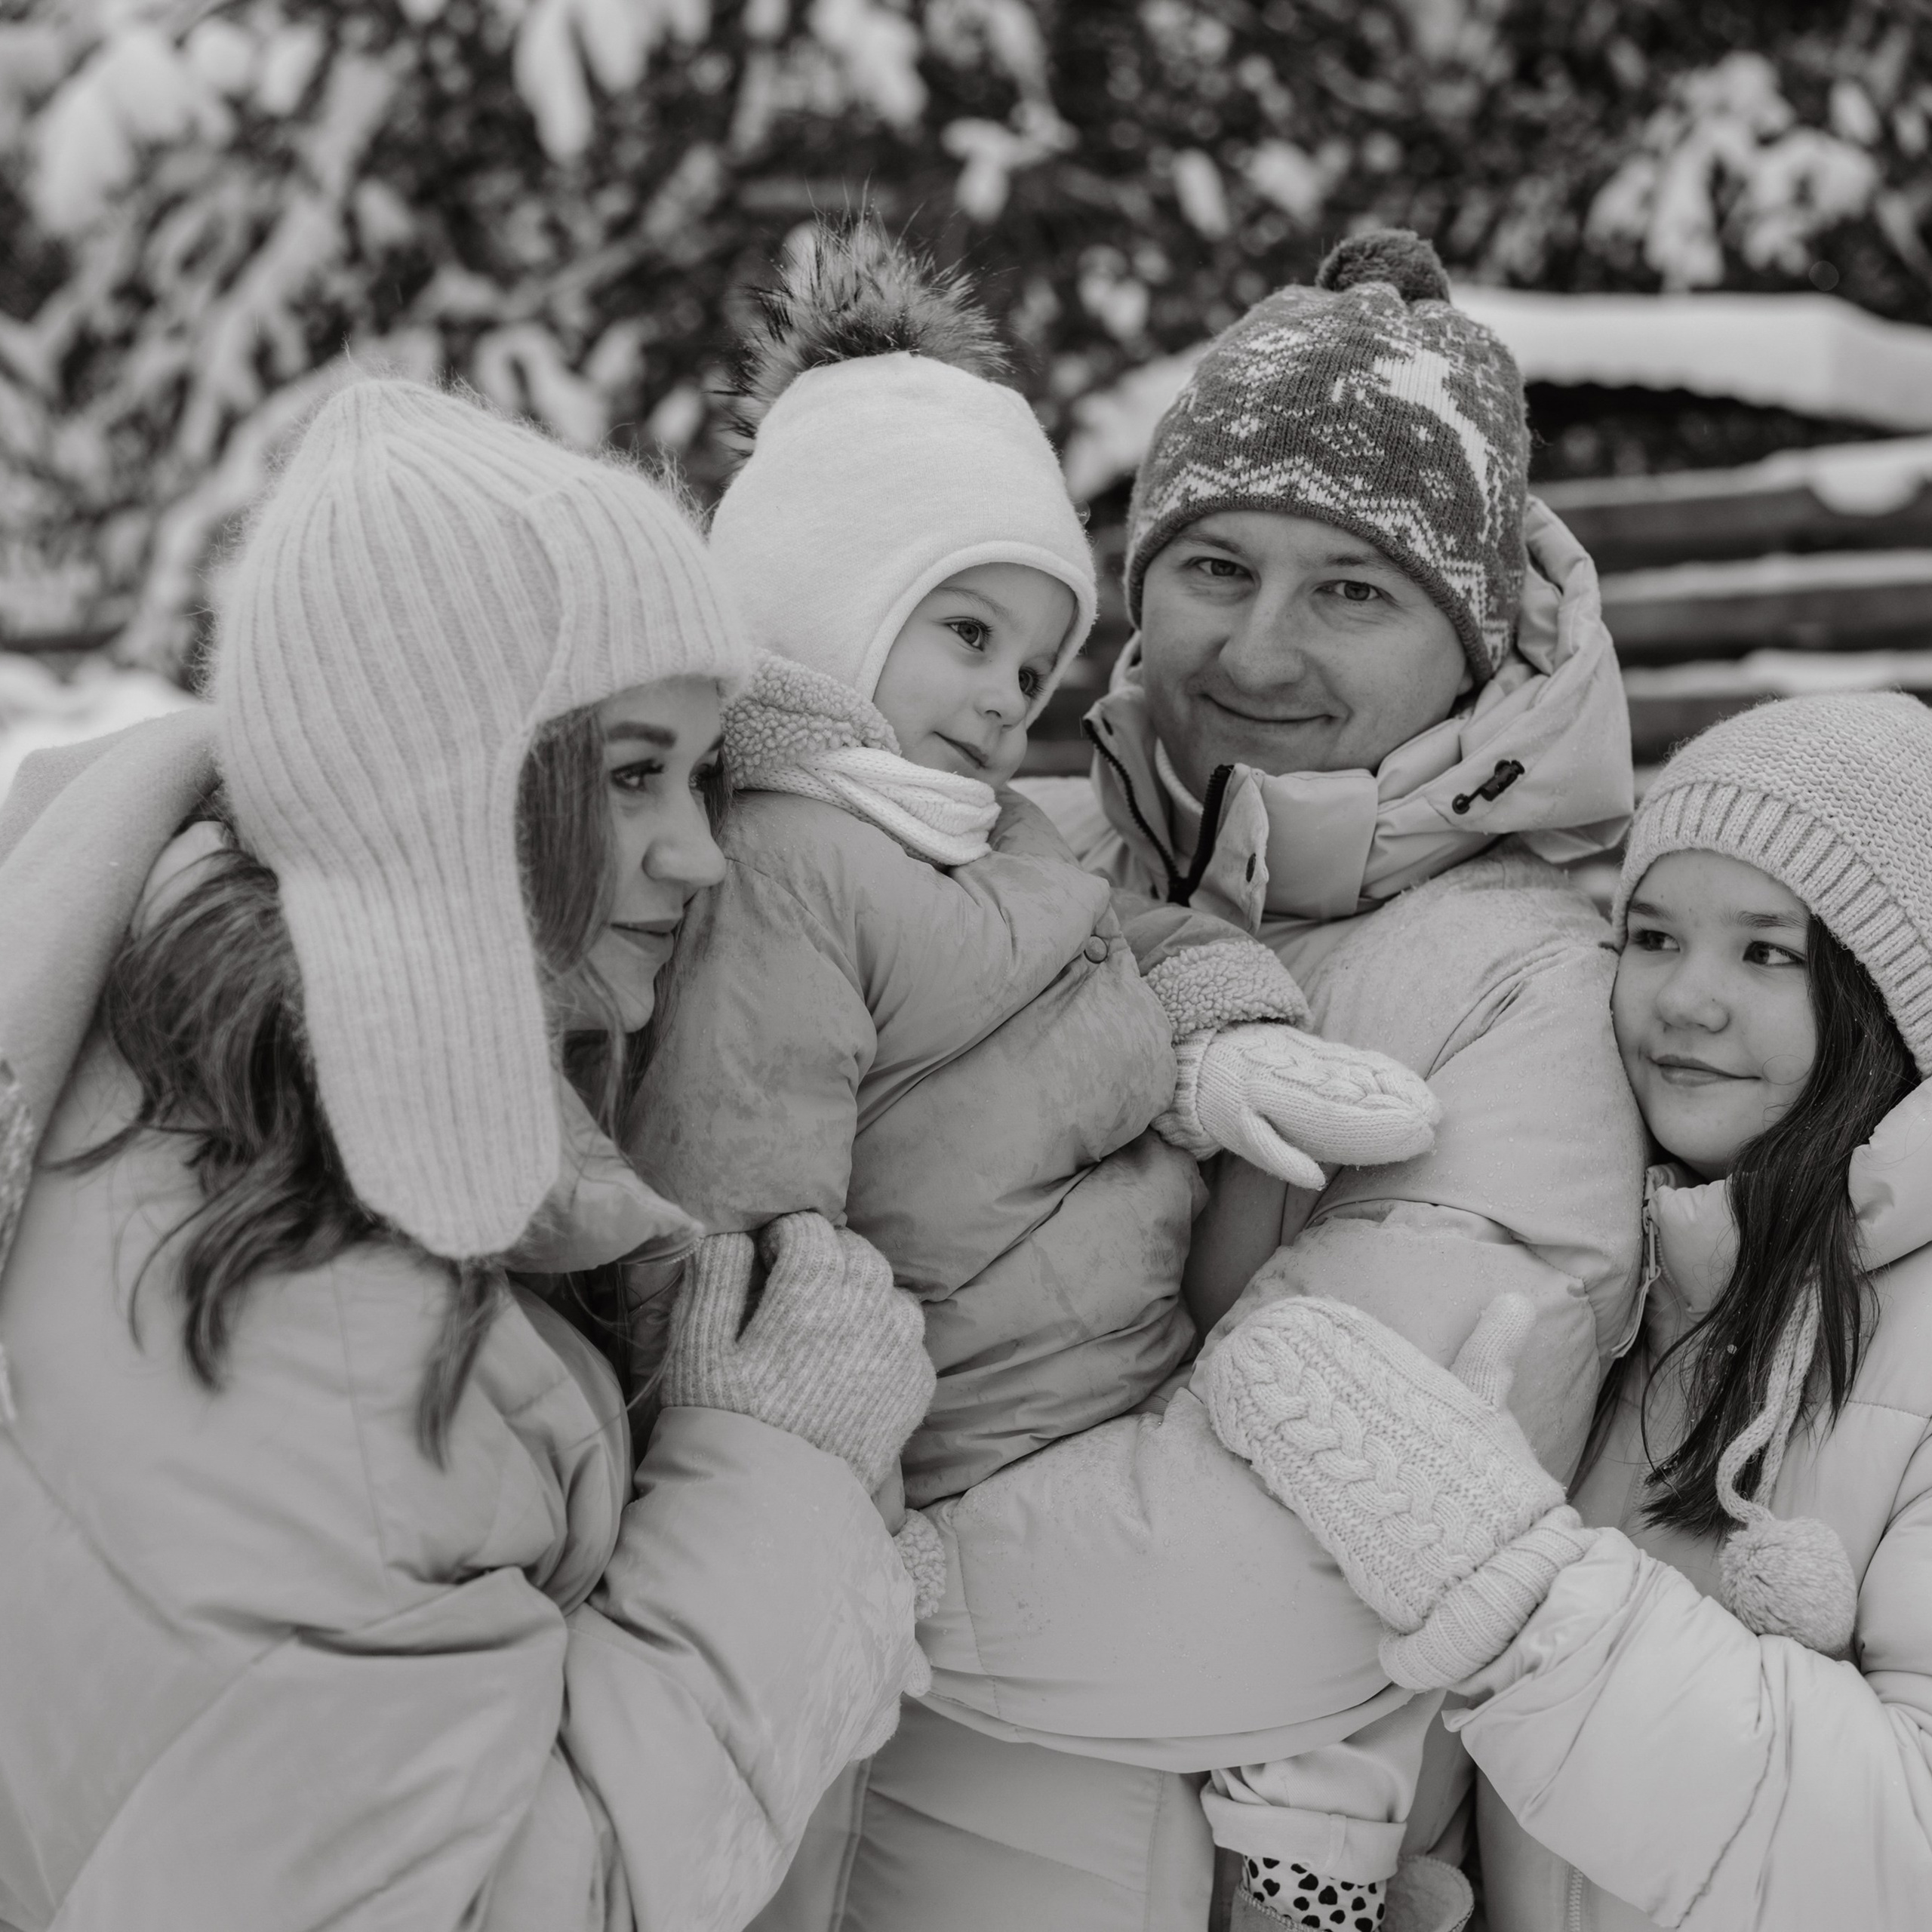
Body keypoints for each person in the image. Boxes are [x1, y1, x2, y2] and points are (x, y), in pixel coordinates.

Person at [0, 378, 935, 1932]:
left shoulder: (182, 1060)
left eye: (703, 773)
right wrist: (781, 1474)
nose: (700, 852)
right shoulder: (334, 1307)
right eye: (634, 772)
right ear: (445, 785)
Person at [1200, 691, 1932, 1932]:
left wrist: (1516, 1597)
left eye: (1768, 951)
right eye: (1652, 937)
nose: (1684, 1001)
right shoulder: (1650, 1284)